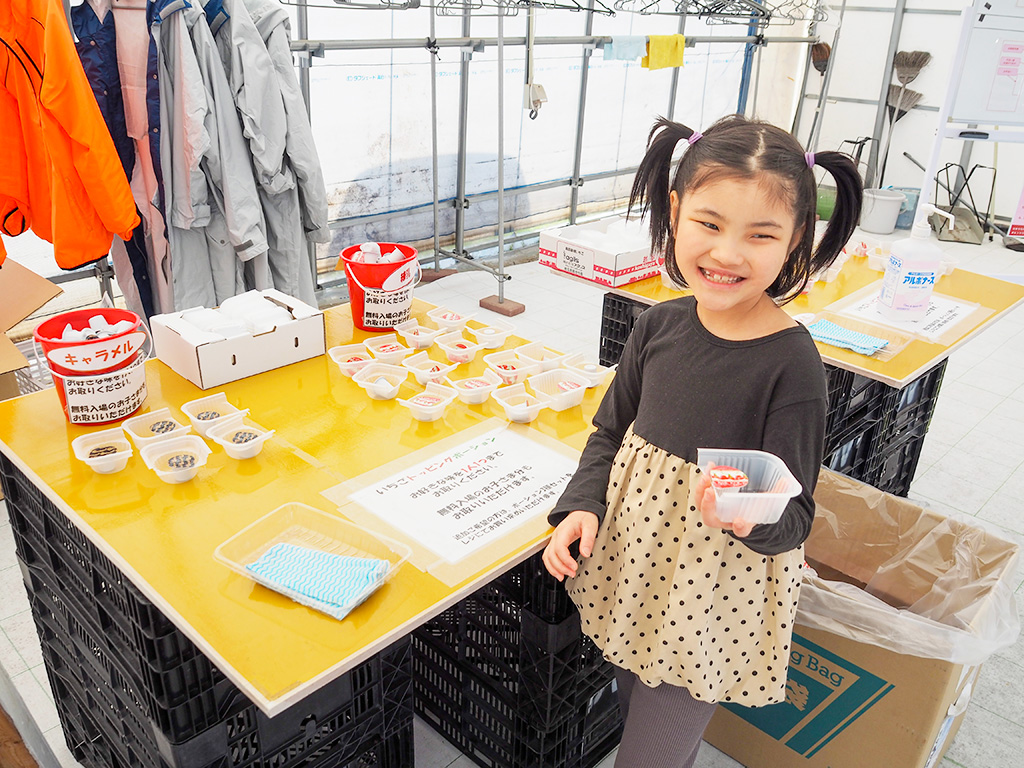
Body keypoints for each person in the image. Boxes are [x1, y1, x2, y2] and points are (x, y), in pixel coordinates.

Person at [542, 114, 863, 768]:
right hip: (635, 573)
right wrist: (582, 505)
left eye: (761, 234)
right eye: (710, 224)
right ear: (676, 210)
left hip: (710, 603)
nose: (727, 253)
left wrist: (746, 512)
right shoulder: (658, 324)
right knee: (636, 711)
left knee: (650, 755)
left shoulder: (791, 364)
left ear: (796, 239)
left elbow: (795, 517)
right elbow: (610, 429)